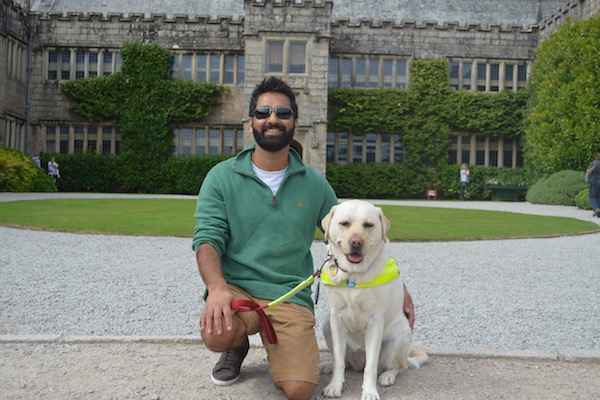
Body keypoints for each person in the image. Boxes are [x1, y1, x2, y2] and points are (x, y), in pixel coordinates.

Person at [192, 76, 415, 400]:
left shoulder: (315, 184)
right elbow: (207, 239)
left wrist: (397, 287)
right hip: (237, 288)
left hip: (289, 294)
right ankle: (236, 346)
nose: (273, 119)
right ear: (250, 121)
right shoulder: (221, 177)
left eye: (282, 113)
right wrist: (216, 289)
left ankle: (280, 350)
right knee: (218, 333)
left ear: (295, 123)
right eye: (264, 112)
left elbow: (348, 235)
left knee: (299, 390)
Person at [586, 153, 600, 217]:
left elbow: (588, 171)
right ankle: (599, 214)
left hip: (596, 181)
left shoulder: (594, 163)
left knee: (593, 197)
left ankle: (597, 208)